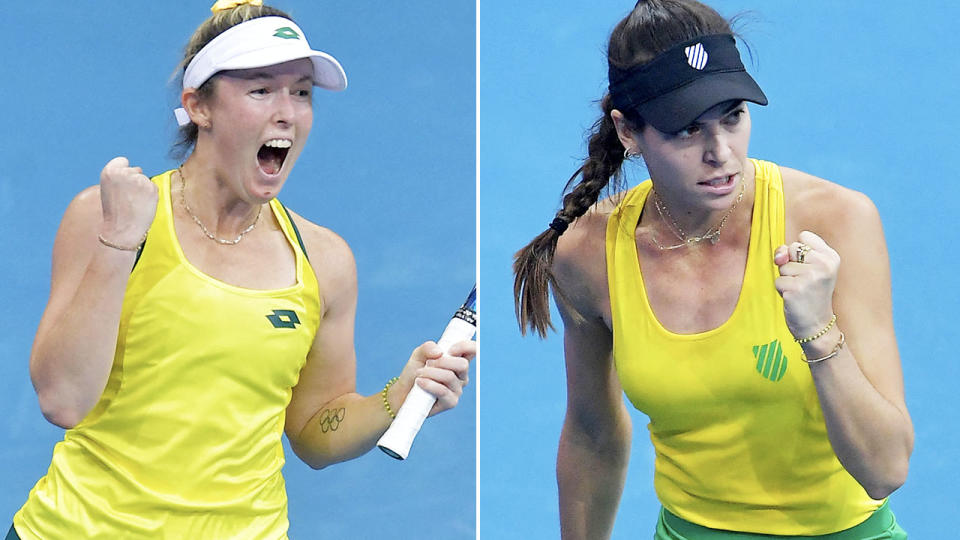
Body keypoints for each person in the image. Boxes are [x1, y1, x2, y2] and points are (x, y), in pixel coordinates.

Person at [9, 1, 474, 538]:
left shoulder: (324, 261)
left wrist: (395, 397)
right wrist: (119, 243)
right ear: (198, 107)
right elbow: (62, 399)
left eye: (301, 92)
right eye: (261, 90)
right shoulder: (107, 216)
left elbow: (313, 434)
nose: (288, 112)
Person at [512, 0, 912, 538]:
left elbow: (885, 470)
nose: (721, 152)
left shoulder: (835, 220)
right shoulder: (586, 254)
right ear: (629, 132)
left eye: (733, 116)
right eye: (686, 130)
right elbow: (592, 435)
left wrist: (818, 333)